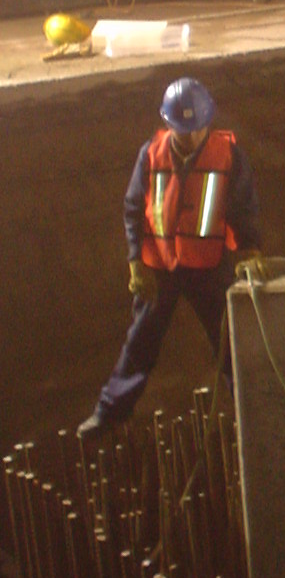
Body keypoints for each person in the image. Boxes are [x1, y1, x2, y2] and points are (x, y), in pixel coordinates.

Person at [78, 77, 263, 437]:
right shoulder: (151, 154)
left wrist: (250, 250)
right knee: (141, 341)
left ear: (209, 121)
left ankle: (252, 413)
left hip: (209, 264)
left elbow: (243, 207)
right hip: (160, 266)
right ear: (168, 124)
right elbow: (134, 208)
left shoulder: (228, 156)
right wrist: (136, 261)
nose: (192, 137)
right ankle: (111, 412)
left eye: (197, 128)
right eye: (183, 129)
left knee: (231, 344)